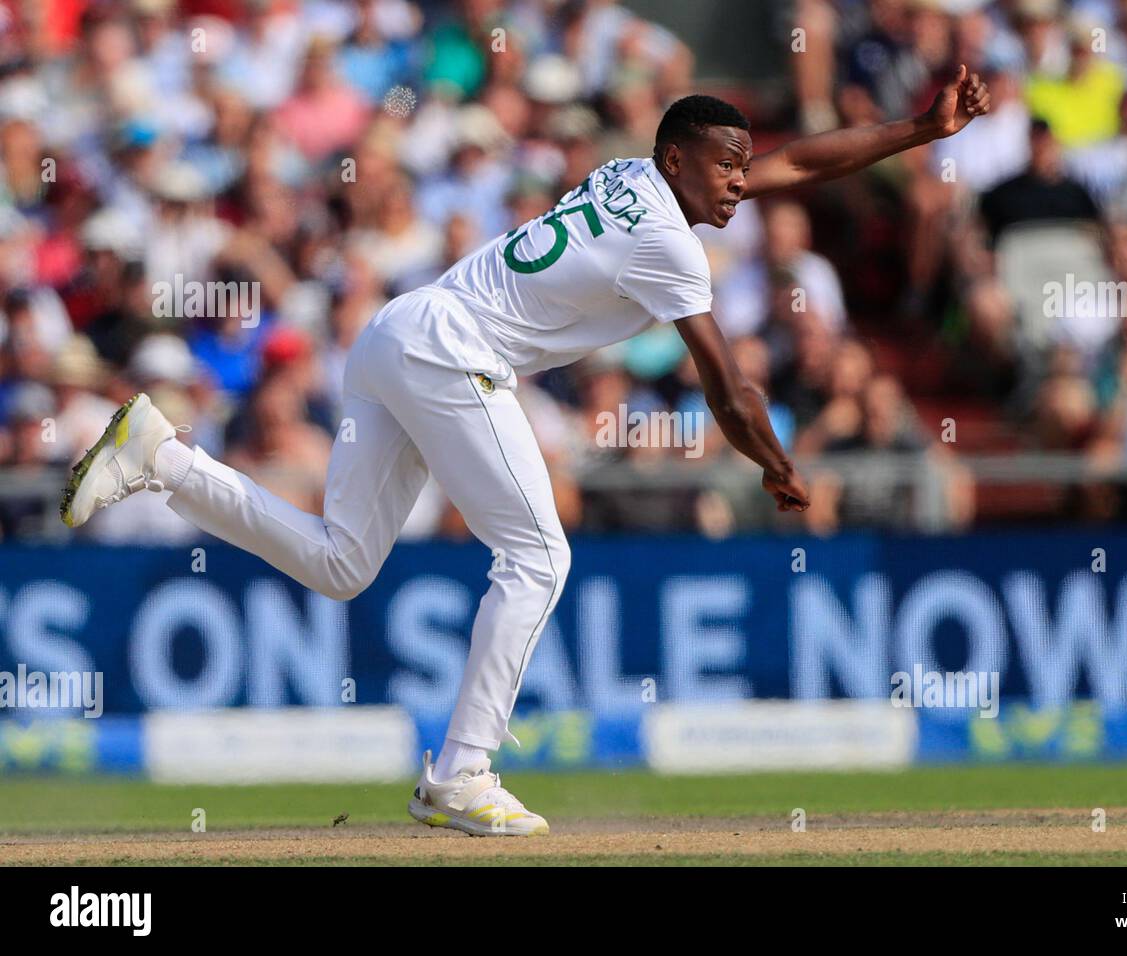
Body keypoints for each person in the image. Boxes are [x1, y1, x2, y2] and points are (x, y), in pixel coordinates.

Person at [58, 69, 991, 837]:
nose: (742, 180)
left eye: (743, 164)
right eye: (726, 165)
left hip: (396, 335)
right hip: (452, 355)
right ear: (678, 160)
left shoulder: (636, 177)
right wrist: (774, 463)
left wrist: (919, 127)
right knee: (540, 555)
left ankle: (163, 459)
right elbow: (726, 383)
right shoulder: (671, 243)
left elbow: (794, 166)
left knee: (344, 565)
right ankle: (461, 775)